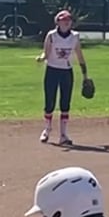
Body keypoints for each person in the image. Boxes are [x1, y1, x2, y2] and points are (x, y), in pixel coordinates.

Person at [36, 10, 89, 145]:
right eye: (63, 20)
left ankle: (63, 134)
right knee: (49, 102)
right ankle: (47, 129)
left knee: (65, 103)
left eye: (68, 20)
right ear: (58, 22)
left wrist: (85, 75)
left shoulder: (75, 37)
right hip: (52, 70)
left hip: (66, 72)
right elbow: (46, 53)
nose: (66, 22)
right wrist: (41, 58)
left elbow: (80, 55)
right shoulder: (51, 35)